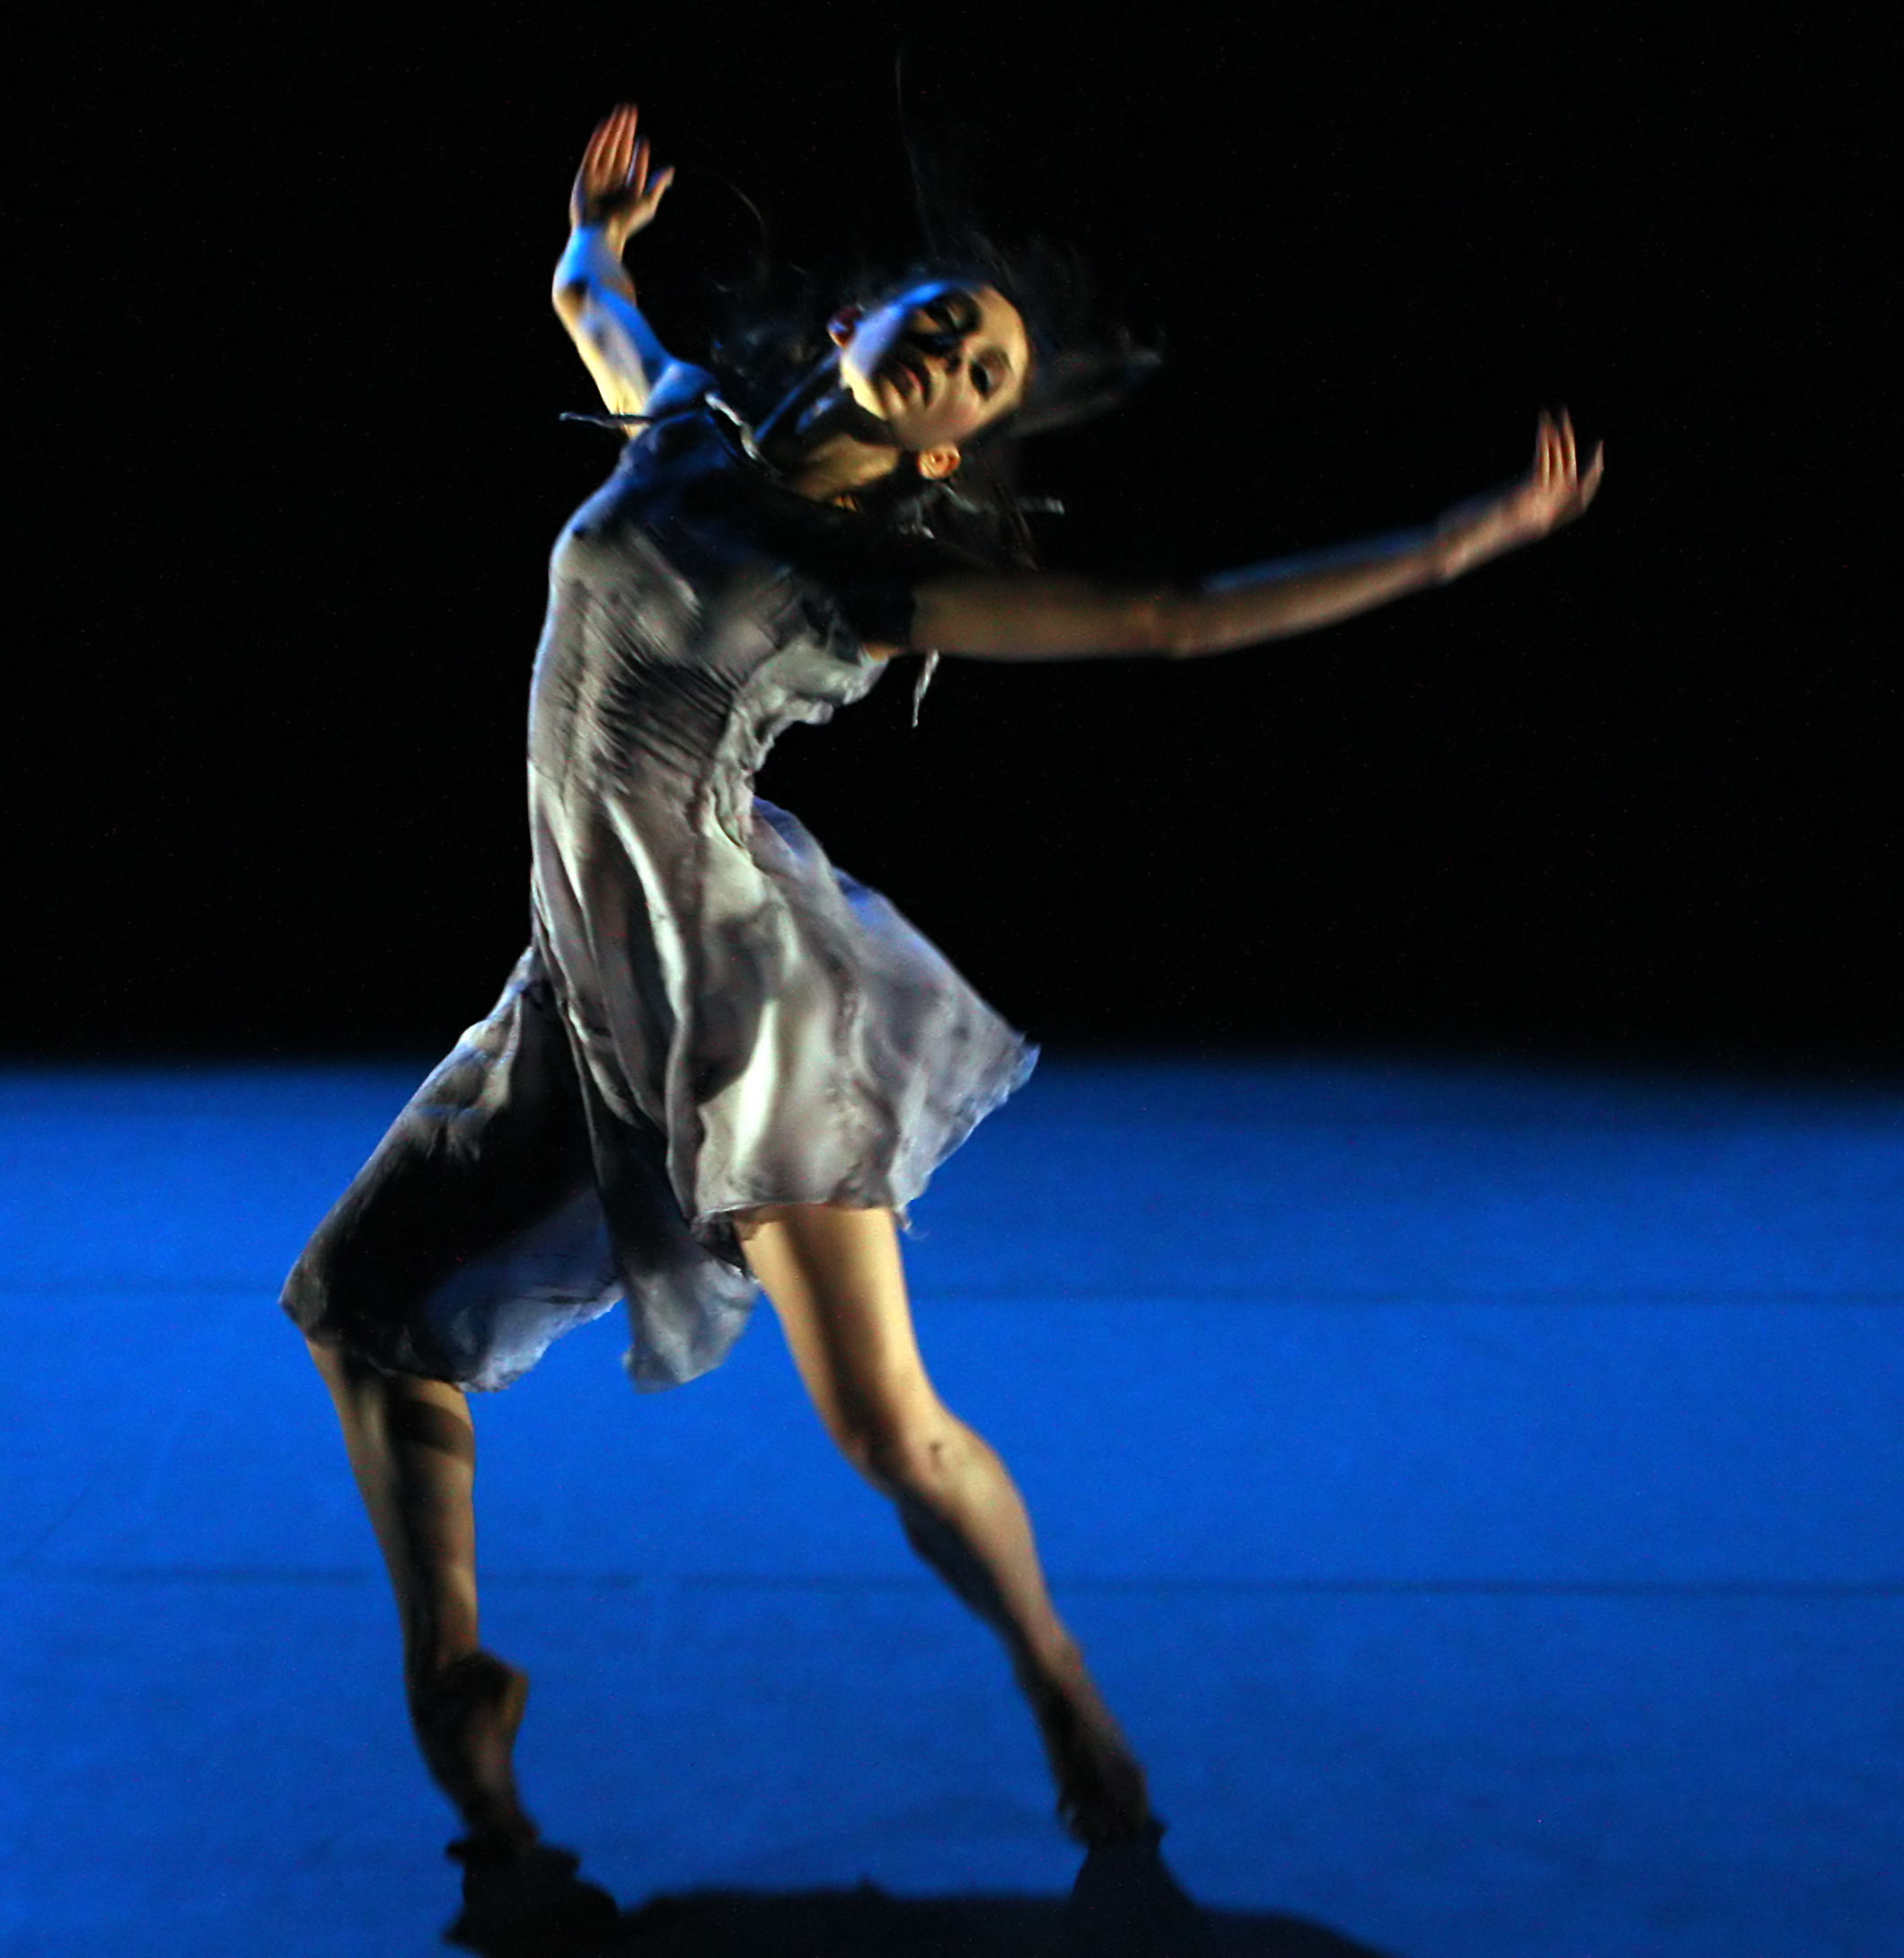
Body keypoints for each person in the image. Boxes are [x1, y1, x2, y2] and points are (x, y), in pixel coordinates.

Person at [284, 103, 1602, 1866]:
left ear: (952, 442)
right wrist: (594, 230)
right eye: (944, 320)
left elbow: (1171, 617)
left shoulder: (870, 575)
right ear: (856, 330)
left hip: (750, 1012)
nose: (958, 353)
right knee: (363, 1305)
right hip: (582, 992)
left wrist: (1447, 547)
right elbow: (588, 297)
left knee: (885, 1431)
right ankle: (457, 1688)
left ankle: (1059, 1681)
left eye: (985, 368)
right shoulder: (681, 424)